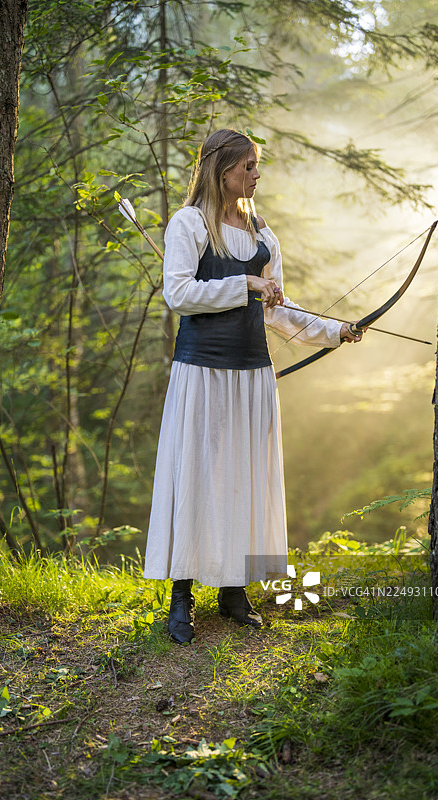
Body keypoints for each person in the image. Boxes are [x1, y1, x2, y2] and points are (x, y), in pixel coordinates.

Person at [143, 128, 363, 644]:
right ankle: (181, 595)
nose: (256, 175)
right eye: (248, 167)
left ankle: (234, 590)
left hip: (252, 377)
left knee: (245, 476)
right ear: (222, 172)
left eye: (256, 166)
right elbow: (178, 293)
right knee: (195, 477)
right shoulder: (189, 223)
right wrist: (244, 284)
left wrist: (338, 331)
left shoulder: (265, 235)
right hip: (201, 374)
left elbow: (281, 314)